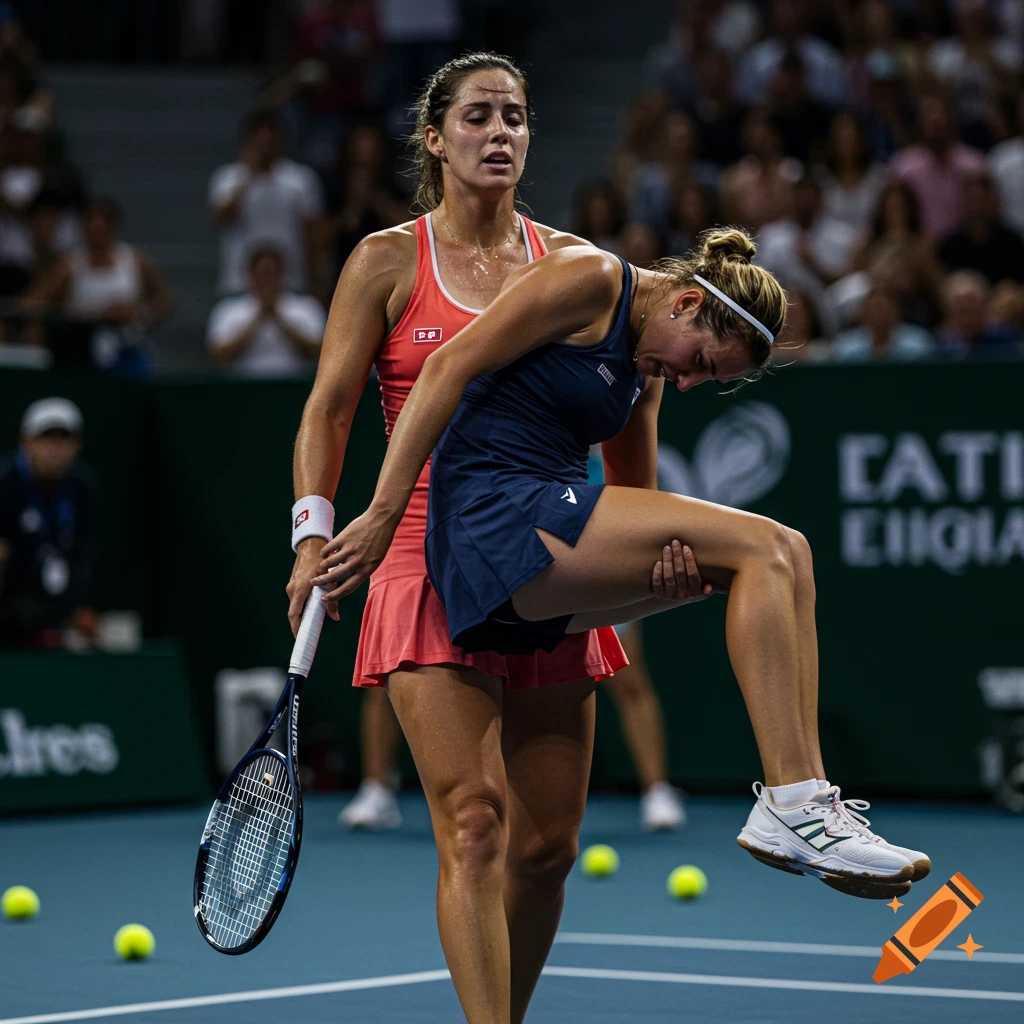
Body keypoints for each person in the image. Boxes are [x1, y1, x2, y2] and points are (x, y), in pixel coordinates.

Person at [317, 227, 931, 920]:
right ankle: (793, 806)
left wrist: (654, 580)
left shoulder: (645, 367)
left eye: (710, 379)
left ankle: (805, 799)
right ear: (686, 303)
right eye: (700, 359)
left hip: (541, 527)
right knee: (769, 545)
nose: (691, 380)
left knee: (787, 553)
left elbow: (636, 501)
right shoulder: (590, 278)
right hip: (487, 515)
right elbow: (445, 367)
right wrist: (383, 511)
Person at [286, 54, 702, 1021]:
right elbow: (329, 410)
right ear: (435, 138)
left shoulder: (576, 268)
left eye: (516, 115)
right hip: (422, 553)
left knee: (548, 845)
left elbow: (633, 425)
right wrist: (313, 535)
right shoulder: (387, 261)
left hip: (546, 557)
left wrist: (645, 554)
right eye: (478, 116)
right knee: (473, 824)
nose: (501, 132)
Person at [22, 198, 172, 375]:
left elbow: (164, 301)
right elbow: (32, 304)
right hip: (80, 353)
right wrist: (93, 315)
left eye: (103, 225)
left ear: (114, 226)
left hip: (126, 349)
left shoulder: (134, 261)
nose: (97, 231)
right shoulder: (70, 266)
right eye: (91, 225)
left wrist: (141, 313)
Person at [0, 398, 96, 649]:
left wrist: (73, 609)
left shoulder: (82, 487)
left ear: (78, 445)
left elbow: (81, 553)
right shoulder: (4, 484)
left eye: (64, 439)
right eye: (46, 438)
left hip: (55, 608)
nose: (55, 448)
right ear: (26, 441)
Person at [208, 109, 324, 296]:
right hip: (239, 283)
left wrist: (315, 281)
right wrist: (248, 176)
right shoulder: (228, 178)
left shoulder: (300, 179)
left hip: (291, 283)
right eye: (260, 140)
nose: (265, 146)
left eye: (270, 139)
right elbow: (220, 218)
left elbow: (311, 235)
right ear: (249, 141)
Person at [207, 247, 325, 377]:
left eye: (272, 273)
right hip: (242, 384)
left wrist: (278, 317)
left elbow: (320, 352)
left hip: (295, 382)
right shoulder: (227, 309)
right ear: (251, 274)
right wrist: (259, 316)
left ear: (282, 274)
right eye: (262, 273)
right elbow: (217, 356)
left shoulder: (306, 306)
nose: (267, 279)